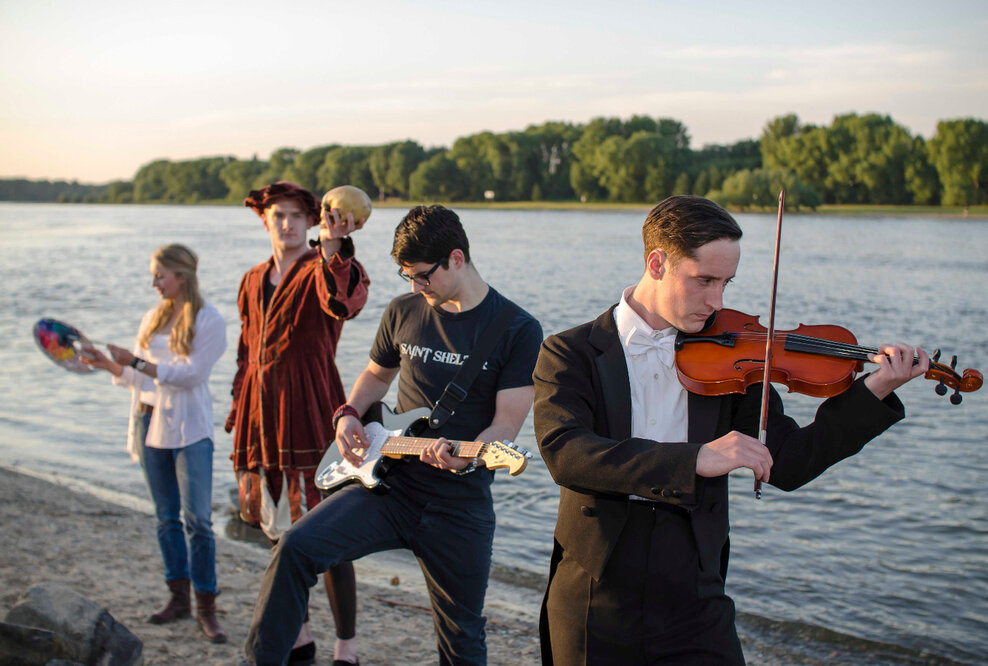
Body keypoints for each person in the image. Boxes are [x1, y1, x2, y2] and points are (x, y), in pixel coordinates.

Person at [532, 195, 931, 665]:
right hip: (595, 591)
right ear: (656, 263)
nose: (718, 301)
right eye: (704, 280)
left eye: (726, 282)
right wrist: (694, 459)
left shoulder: (736, 356)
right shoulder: (569, 352)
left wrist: (876, 388)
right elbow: (568, 454)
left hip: (695, 592)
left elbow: (789, 463)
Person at [242, 204, 543, 666]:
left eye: (423, 276)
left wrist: (471, 456)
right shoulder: (404, 310)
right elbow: (375, 378)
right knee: (292, 550)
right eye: (408, 277)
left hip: (458, 508)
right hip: (388, 488)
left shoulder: (517, 329)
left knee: (462, 637)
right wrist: (347, 415)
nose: (416, 288)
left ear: (456, 259)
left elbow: (506, 424)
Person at [227, 181, 371, 665]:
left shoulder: (322, 268)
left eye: (294, 215)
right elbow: (246, 352)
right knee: (277, 526)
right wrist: (236, 407)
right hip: (261, 412)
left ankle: (346, 646)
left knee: (326, 529)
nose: (286, 224)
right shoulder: (251, 279)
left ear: (311, 221)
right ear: (265, 221)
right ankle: (299, 633)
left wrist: (335, 249)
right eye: (277, 216)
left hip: (312, 407)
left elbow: (344, 303)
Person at [83, 243, 229, 643]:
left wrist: (134, 361)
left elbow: (191, 375)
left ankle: (207, 608)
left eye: (159, 275)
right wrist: (109, 364)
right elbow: (141, 378)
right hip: (148, 423)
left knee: (198, 520)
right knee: (166, 518)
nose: (154, 283)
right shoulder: (153, 318)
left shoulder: (209, 319)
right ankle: (177, 598)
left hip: (190, 429)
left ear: (181, 276)